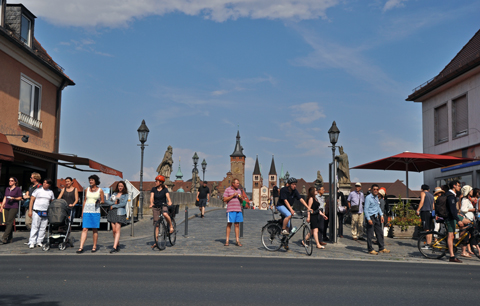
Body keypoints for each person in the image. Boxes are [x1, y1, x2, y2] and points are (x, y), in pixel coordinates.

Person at [77, 175, 105, 253]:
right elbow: (85, 200)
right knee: (84, 228)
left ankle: (94, 246)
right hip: (87, 211)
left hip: (95, 211)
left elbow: (103, 201)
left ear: (96, 181)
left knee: (94, 229)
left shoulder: (100, 190)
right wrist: (82, 211)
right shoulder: (87, 189)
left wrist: (99, 201)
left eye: (92, 180)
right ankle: (81, 247)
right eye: (90, 180)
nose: (90, 181)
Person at [28, 179, 55, 248]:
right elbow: (31, 200)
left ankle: (39, 241)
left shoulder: (50, 192)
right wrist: (30, 211)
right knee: (35, 226)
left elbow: (52, 202)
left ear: (49, 185)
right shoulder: (38, 190)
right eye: (44, 182)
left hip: (45, 212)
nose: (44, 184)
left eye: (46, 183)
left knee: (43, 227)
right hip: (37, 211)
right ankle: (32, 242)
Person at [364, 184, 390, 255]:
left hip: (376, 217)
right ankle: (370, 249)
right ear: (372, 190)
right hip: (370, 217)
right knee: (370, 234)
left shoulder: (376, 197)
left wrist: (381, 215)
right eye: (374, 189)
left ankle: (381, 248)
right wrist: (368, 219)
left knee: (380, 233)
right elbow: (365, 209)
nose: (375, 190)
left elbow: (378, 207)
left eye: (377, 189)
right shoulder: (368, 198)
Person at [150, 175, 173, 250]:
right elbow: (151, 197)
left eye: (156, 181)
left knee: (165, 214)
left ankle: (171, 226)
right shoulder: (153, 189)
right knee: (156, 225)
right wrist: (151, 203)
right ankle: (156, 242)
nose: (155, 182)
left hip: (163, 205)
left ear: (160, 182)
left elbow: (168, 197)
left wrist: (169, 202)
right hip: (156, 206)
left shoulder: (165, 189)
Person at [106, 181, 128, 253]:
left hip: (120, 212)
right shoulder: (114, 194)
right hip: (113, 212)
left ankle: (114, 247)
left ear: (124, 187)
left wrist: (114, 205)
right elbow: (108, 201)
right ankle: (117, 244)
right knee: (114, 230)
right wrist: (113, 203)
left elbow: (123, 204)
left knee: (117, 230)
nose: (120, 187)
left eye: (121, 186)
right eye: (119, 186)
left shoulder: (125, 195)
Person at [446, 180, 464, 263]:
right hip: (450, 218)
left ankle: (461, 240)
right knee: (451, 236)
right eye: (459, 186)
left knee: (468, 222)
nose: (460, 187)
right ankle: (452, 256)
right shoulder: (450, 196)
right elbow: (452, 210)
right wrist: (458, 220)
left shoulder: (453, 195)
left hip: (454, 216)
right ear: (454, 186)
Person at [1, 177, 22, 244]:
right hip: (7, 206)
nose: (10, 182)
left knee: (10, 221)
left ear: (15, 182)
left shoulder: (17, 189)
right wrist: (2, 206)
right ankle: (10, 238)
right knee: (7, 222)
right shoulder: (7, 188)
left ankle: (4, 237)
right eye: (9, 181)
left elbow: (20, 198)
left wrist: (14, 198)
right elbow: (5, 197)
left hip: (13, 207)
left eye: (12, 181)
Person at [223, 178, 244, 246]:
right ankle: (227, 240)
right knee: (229, 224)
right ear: (233, 183)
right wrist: (232, 196)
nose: (238, 184)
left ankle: (237, 240)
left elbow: (241, 201)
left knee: (237, 225)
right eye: (237, 183)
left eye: (238, 183)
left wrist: (241, 199)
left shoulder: (239, 191)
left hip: (238, 209)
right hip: (230, 209)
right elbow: (224, 199)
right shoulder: (228, 190)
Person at [460, 185, 476, 257]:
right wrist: (471, 210)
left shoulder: (467, 199)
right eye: (471, 190)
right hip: (466, 220)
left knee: (466, 236)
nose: (472, 192)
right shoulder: (465, 200)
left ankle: (465, 251)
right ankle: (463, 252)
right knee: (465, 236)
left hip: (469, 219)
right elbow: (463, 209)